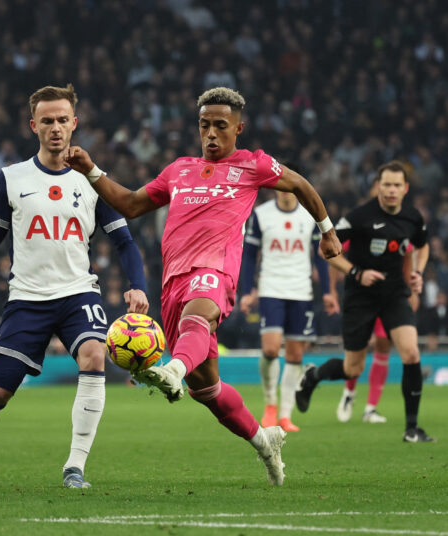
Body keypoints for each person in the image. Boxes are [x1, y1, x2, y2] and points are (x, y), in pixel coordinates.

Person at [65, 87, 342, 486]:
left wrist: (326, 229)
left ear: (239, 129)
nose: (211, 134)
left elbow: (299, 184)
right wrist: (91, 170)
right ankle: (266, 442)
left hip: (215, 271)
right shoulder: (179, 170)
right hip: (174, 280)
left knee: (199, 316)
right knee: (208, 391)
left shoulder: (253, 165)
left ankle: (173, 368)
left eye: (220, 126)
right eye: (204, 125)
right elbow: (130, 204)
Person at [0, 84, 149, 490]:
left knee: (95, 355)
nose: (56, 127)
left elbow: (125, 241)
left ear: (75, 123)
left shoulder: (95, 180)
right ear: (34, 126)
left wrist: (138, 286)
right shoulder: (12, 178)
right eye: (47, 121)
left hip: (79, 292)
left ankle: (74, 468)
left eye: (63, 120)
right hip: (27, 298)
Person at [296, 161, 434, 443]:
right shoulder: (359, 217)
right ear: (378, 186)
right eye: (387, 185)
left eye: (397, 185)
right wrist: (357, 272)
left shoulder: (412, 217)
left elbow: (422, 245)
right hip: (360, 297)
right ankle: (313, 376)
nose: (392, 190)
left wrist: (417, 272)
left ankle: (412, 429)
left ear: (405, 188)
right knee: (353, 368)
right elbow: (327, 249)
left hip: (395, 294)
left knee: (411, 353)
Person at [239, 178, 334, 433]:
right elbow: (248, 256)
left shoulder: (309, 216)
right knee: (270, 349)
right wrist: (247, 291)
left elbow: (321, 257)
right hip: (270, 289)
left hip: (300, 291)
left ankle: (285, 413)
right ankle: (270, 404)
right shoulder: (261, 215)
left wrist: (326, 291)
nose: (283, 190)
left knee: (294, 354)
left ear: (297, 187)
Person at [331, 243, 419, 424]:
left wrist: (411, 292)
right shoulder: (362, 221)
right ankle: (349, 392)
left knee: (384, 345)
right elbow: (334, 251)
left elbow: (408, 255)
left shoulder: (400, 225)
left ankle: (370, 408)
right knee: (358, 350)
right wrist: (332, 289)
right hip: (360, 297)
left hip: (390, 297)